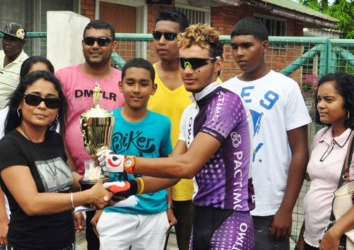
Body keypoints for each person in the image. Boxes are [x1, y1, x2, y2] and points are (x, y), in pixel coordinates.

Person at [98, 24, 255, 250]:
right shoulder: (191, 110)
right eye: (184, 62)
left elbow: (187, 166)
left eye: (198, 63)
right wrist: (131, 187)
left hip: (230, 218)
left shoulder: (226, 103)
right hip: (201, 215)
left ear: (218, 64)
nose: (188, 71)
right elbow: (172, 171)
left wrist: (125, 162)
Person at [0, 70, 112, 249]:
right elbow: (31, 203)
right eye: (34, 99)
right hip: (29, 244)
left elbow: (61, 178)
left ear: (57, 109)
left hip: (65, 242)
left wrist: (91, 181)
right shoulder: (10, 146)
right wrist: (86, 196)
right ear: (20, 103)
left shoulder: (54, 139)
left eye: (51, 101)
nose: (42, 105)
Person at [223, 17, 311, 249]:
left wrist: (286, 209)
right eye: (234, 47)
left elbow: (300, 151)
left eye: (246, 46)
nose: (239, 53)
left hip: (270, 207)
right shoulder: (225, 90)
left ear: (264, 46)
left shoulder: (286, 87)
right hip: (229, 205)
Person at [56, 19, 125, 250]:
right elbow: (56, 126)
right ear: (82, 44)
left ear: (113, 46)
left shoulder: (124, 81)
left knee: (103, 239)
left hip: (111, 178)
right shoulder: (63, 78)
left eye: (102, 41)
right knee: (65, 239)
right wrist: (68, 171)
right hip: (71, 177)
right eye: (90, 40)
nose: (95, 45)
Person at [92, 58, 173, 249]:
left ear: (153, 88)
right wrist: (98, 208)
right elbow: (98, 167)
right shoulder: (106, 119)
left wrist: (169, 207)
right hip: (115, 210)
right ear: (120, 86)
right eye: (130, 83)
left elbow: (166, 168)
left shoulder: (163, 123)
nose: (136, 89)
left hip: (154, 212)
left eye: (143, 84)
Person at [0, 56, 60, 249]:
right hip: (15, 218)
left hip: (53, 224)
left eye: (45, 76)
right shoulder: (3, 119)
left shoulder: (51, 121)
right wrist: (2, 219)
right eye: (34, 77)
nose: (42, 104)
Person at [295, 72, 354, 250]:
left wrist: (334, 233)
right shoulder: (321, 136)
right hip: (312, 239)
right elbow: (317, 190)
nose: (321, 105)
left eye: (329, 100)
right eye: (319, 99)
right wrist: (302, 238)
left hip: (342, 240)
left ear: (349, 102)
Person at [147, 9, 193, 250]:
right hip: (151, 183)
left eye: (169, 36)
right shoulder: (143, 79)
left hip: (192, 184)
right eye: (157, 35)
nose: (161, 41)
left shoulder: (200, 79)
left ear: (183, 39)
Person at [0, 22, 28, 131]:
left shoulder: (25, 64)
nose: (7, 43)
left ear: (22, 43)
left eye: (12, 40)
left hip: (5, 125)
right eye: (5, 38)